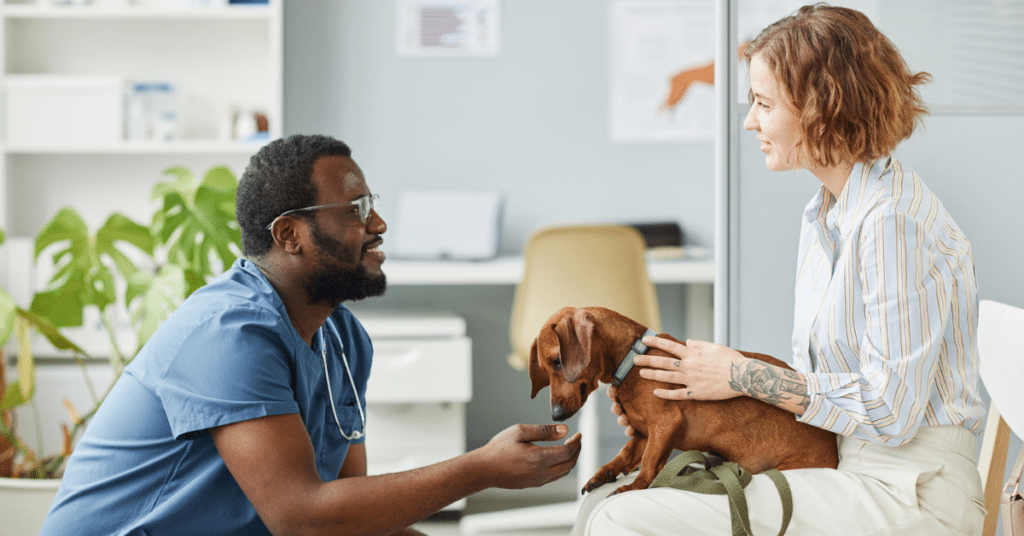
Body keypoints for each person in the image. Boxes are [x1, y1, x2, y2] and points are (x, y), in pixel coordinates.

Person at [574, 4, 986, 536]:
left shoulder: (893, 223)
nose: (750, 121)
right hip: (852, 468)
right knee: (609, 500)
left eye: (763, 103)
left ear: (820, 107)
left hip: (910, 493)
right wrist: (687, 399)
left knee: (624, 519)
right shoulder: (826, 213)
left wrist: (739, 375)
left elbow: (890, 411)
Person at [41, 134, 582, 536]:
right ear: (289, 235)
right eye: (357, 210)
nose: (379, 225)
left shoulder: (342, 338)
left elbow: (347, 520)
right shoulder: (227, 334)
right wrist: (480, 468)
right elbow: (302, 518)